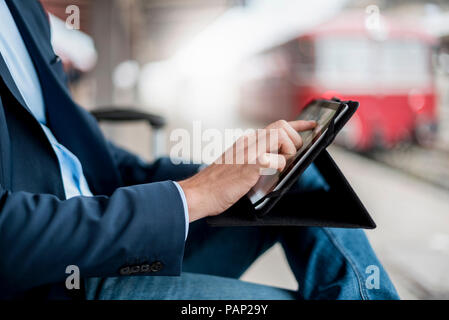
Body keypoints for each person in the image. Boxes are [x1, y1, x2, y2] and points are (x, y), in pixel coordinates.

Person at [0, 0, 399, 300]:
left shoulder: (22, 10)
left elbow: (105, 163)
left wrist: (226, 173)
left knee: (298, 169)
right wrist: (194, 196)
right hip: (63, 278)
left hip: (125, 238)